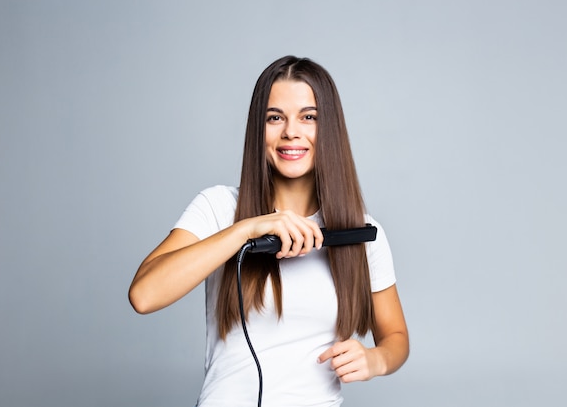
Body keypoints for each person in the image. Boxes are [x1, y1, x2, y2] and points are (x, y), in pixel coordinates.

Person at [129, 55, 409, 407]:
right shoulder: (218, 208)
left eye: (309, 117)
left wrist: (376, 360)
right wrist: (247, 229)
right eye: (275, 118)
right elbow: (144, 295)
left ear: (329, 130)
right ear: (257, 130)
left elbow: (396, 336)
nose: (291, 131)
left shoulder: (362, 233)